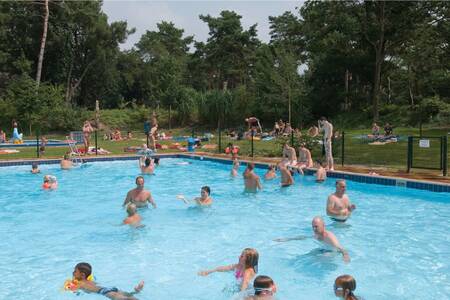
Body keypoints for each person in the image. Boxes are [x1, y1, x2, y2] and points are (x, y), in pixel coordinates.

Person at [274, 216, 350, 262]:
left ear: (323, 225)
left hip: (333, 252)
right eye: (313, 226)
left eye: (316, 226)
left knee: (320, 258)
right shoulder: (317, 234)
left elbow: (341, 249)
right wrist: (288, 239)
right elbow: (304, 237)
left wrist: (345, 256)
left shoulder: (329, 237)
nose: (314, 229)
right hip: (323, 249)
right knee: (308, 255)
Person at [68, 262, 144, 299]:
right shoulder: (90, 281)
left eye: (75, 271)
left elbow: (75, 291)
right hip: (109, 288)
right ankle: (136, 291)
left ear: (82, 275)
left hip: (103, 291)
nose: (73, 273)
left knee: (122, 299)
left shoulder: (79, 283)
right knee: (128, 295)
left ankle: (135, 292)